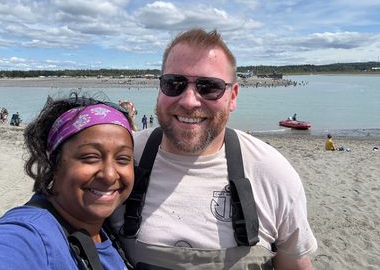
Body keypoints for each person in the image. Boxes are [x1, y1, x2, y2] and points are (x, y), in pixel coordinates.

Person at [110, 28, 317, 269]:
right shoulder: (120, 158)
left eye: (209, 87)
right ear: (159, 88)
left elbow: (294, 263)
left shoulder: (272, 172)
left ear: (233, 96)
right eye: (174, 83)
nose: (189, 100)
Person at [0, 93, 134, 269]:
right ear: (53, 163)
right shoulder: (31, 235)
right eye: (90, 157)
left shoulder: (105, 228)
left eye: (123, 159)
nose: (109, 175)